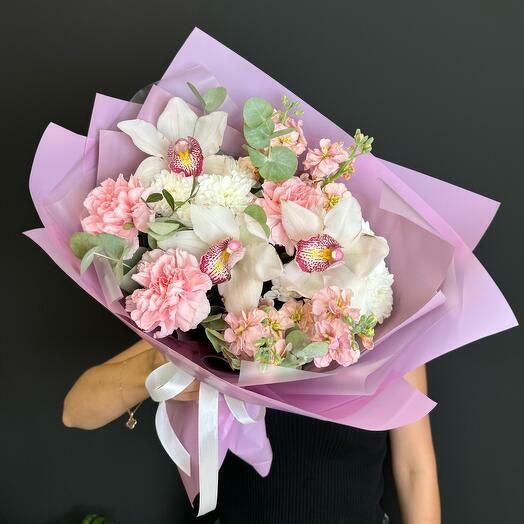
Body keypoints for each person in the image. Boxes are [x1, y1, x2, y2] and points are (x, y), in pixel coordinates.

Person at [63, 339, 441, 524]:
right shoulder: (215, 319)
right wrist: (159, 364)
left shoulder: (390, 330)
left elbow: (414, 469)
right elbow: (76, 411)